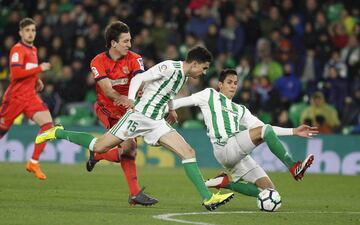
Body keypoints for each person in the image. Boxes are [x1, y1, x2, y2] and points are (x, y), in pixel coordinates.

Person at [35, 46, 234, 211]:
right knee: (99, 146)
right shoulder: (168, 67)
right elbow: (140, 78)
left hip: (156, 121)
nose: (204, 72)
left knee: (188, 152)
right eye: (204, 68)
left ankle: (208, 198)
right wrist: (130, 99)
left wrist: (171, 108)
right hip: (138, 117)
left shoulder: (183, 76)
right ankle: (57, 131)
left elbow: (168, 92)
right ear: (194, 63)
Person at [170, 69, 316, 198]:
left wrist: (294, 131)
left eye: (235, 83)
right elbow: (183, 101)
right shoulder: (209, 95)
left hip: (237, 154)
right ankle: (293, 167)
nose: (233, 85)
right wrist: (167, 108)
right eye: (229, 82)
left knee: (270, 192)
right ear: (220, 85)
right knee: (265, 131)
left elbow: (266, 129)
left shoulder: (240, 110)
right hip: (224, 147)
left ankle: (225, 183)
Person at [86, 21, 157, 206]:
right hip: (107, 109)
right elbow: (107, 90)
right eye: (125, 41)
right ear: (113, 43)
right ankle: (134, 194)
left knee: (129, 150)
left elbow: (140, 79)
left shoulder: (135, 58)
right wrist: (125, 98)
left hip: (129, 110)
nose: (129, 45)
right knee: (130, 148)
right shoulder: (97, 61)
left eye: (130, 40)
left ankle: (98, 155)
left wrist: (136, 93)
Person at [0, 18, 52, 180]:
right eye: (27, 30)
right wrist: (39, 68)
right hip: (15, 98)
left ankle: (33, 162)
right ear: (21, 33)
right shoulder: (17, 50)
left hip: (30, 97)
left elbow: (27, 71)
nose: (30, 33)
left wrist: (37, 80)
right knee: (1, 131)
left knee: (48, 126)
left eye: (33, 30)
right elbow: (15, 74)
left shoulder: (33, 50)